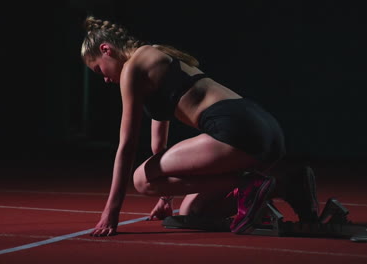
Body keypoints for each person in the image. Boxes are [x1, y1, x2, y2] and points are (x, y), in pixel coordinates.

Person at [80, 16, 318, 237]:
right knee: (193, 212)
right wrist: (166, 198)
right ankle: (287, 183)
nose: (105, 79)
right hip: (263, 128)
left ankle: (249, 184)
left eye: (99, 69)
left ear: (106, 50)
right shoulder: (155, 56)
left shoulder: (132, 68)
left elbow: (127, 145)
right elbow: (158, 146)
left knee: (141, 179)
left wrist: (111, 211)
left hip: (235, 128)